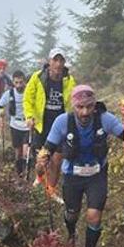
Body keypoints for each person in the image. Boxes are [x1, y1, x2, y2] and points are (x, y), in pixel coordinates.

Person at [38, 85, 124, 247]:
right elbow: (48, 147)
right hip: (72, 175)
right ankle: (71, 235)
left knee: (94, 215)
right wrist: (43, 157)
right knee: (72, 213)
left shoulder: (105, 119)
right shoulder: (62, 122)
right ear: (73, 106)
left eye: (89, 107)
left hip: (97, 175)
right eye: (80, 107)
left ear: (94, 106)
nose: (84, 112)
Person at [24, 48, 76, 189]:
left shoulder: (69, 80)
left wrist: (73, 121)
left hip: (61, 126)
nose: (58, 64)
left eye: (61, 60)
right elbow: (28, 99)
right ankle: (39, 177)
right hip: (42, 124)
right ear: (49, 61)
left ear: (64, 62)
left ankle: (51, 189)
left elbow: (74, 102)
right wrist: (29, 116)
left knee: (56, 160)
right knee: (41, 160)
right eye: (55, 60)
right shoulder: (38, 77)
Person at [0, 70, 33, 175]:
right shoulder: (9, 94)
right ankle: (19, 174)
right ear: (13, 82)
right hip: (15, 125)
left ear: (24, 82)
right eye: (16, 82)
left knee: (27, 152)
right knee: (18, 152)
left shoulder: (29, 92)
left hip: (27, 125)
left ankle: (28, 175)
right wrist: (0, 114)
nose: (19, 85)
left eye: (21, 82)